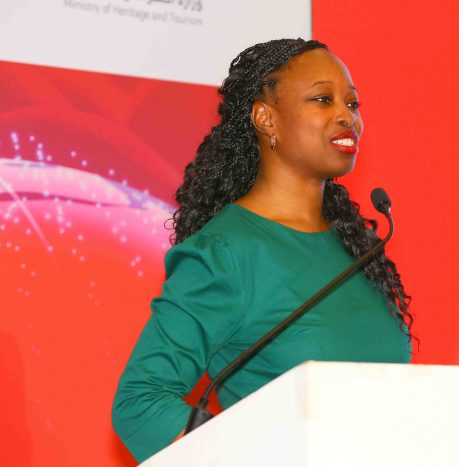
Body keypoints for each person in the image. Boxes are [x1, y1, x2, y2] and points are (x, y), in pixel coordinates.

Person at [112, 38, 413, 463]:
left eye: (352, 103)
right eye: (323, 100)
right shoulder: (225, 252)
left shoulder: (357, 249)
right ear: (265, 118)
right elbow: (141, 400)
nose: (347, 116)